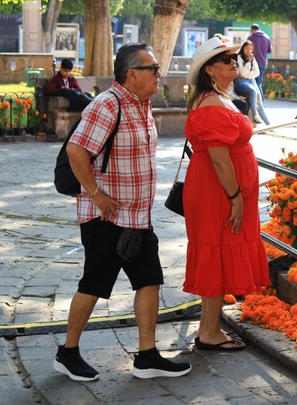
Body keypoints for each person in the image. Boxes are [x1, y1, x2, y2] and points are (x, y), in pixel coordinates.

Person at [53, 43, 191, 382]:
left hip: (137, 217)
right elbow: (76, 151)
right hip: (106, 217)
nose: (159, 75)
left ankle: (147, 356)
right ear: (132, 74)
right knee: (95, 284)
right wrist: (97, 196)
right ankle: (67, 354)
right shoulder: (107, 105)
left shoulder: (142, 105)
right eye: (153, 69)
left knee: (149, 281)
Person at [183, 36, 270, 351]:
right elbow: (220, 159)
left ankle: (209, 329)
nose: (234, 61)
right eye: (226, 59)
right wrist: (235, 197)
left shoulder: (216, 96)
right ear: (209, 70)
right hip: (218, 191)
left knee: (216, 252)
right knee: (215, 252)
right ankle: (208, 331)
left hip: (218, 188)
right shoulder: (211, 104)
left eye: (234, 57)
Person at [233, 40, 270, 125]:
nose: (248, 51)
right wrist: (249, 63)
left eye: (251, 49)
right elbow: (241, 73)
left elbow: (256, 72)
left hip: (250, 80)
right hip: (239, 82)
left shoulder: (252, 58)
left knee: (259, 99)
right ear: (243, 48)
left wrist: (246, 75)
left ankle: (268, 124)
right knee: (253, 91)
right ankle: (255, 114)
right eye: (246, 48)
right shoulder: (238, 57)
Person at [246, 24, 272, 95]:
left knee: (256, 83)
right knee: (259, 82)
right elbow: (269, 51)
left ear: (252, 30)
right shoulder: (267, 37)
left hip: (253, 62)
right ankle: (260, 102)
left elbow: (245, 50)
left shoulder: (251, 37)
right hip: (263, 62)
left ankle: (260, 102)